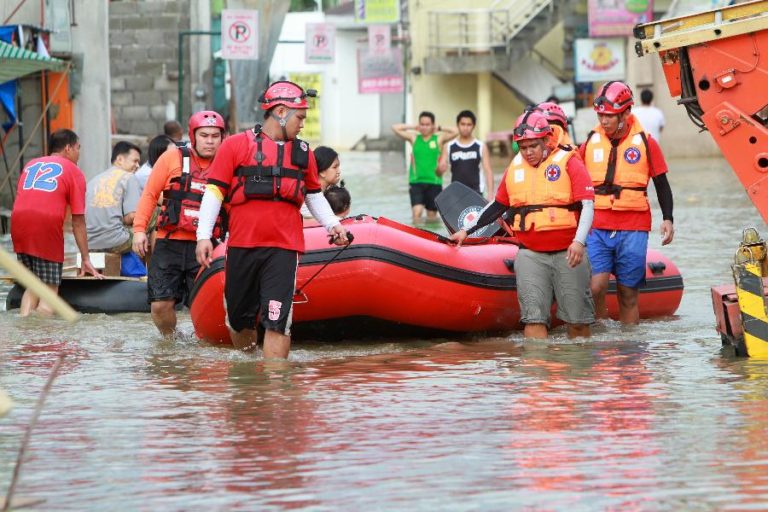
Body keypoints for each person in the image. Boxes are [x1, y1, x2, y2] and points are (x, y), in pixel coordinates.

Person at [195, 80, 349, 359]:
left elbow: (313, 195)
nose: (302, 124)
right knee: (240, 321)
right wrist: (203, 236)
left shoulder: (303, 154)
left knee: (278, 323)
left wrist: (333, 225)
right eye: (300, 117)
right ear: (280, 112)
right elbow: (214, 192)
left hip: (284, 249)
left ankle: (275, 391)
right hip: (242, 246)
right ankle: (249, 376)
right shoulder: (234, 146)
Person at [450, 111, 595, 339]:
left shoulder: (570, 161)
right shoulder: (515, 168)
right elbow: (497, 206)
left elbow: (587, 205)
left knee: (577, 323)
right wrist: (466, 231)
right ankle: (536, 371)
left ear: (546, 140)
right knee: (533, 320)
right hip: (530, 254)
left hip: (568, 252)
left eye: (533, 146)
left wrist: (579, 242)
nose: (528, 153)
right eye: (523, 147)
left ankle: (575, 371)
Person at [580, 81, 674, 325]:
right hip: (598, 223)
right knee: (596, 286)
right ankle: (601, 330)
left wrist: (668, 219)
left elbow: (661, 183)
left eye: (609, 116)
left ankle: (630, 347)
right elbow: (574, 178)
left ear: (626, 113)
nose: (604, 121)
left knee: (628, 293)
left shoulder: (646, 142)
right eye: (600, 115)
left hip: (634, 225)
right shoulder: (590, 142)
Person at [132, 111, 226, 337]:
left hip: (208, 245)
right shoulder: (171, 158)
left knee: (209, 304)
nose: (210, 141)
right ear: (193, 136)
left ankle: (205, 343)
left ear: (223, 137)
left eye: (215, 135)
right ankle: (171, 340)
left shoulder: (228, 162)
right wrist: (139, 231)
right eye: (204, 135)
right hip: (169, 242)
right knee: (160, 305)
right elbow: (150, 195)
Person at [10, 129, 102, 316]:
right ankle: (44, 340)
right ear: (68, 148)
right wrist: (86, 258)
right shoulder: (74, 171)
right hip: (44, 224)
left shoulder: (31, 164)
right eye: (78, 148)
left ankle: (24, 331)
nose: (79, 153)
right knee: (50, 291)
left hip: (18, 222)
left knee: (33, 283)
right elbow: (78, 221)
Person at [391, 112, 458, 223]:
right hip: (416, 182)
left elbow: (456, 131)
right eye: (422, 124)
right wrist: (413, 127)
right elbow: (394, 128)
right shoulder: (414, 138)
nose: (424, 127)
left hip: (434, 183)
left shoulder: (438, 139)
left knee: (431, 218)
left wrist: (439, 128)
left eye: (427, 124)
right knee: (416, 214)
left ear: (432, 125)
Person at [85, 141, 142, 254]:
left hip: (88, 243)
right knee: (157, 213)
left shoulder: (93, 180)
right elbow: (132, 216)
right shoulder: (129, 177)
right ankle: (153, 266)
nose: (138, 166)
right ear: (120, 159)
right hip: (116, 242)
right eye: (135, 161)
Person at [439, 110, 494, 201]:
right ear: (458, 125)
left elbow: (488, 171)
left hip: (476, 191)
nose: (465, 127)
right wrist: (440, 169)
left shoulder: (481, 146)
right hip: (455, 192)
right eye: (463, 124)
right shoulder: (449, 146)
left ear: (473, 126)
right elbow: (438, 173)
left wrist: (491, 193)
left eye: (469, 125)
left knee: (477, 216)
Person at [300, 145, 342, 218]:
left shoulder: (329, 194)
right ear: (322, 172)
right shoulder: (307, 197)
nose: (339, 171)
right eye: (335, 167)